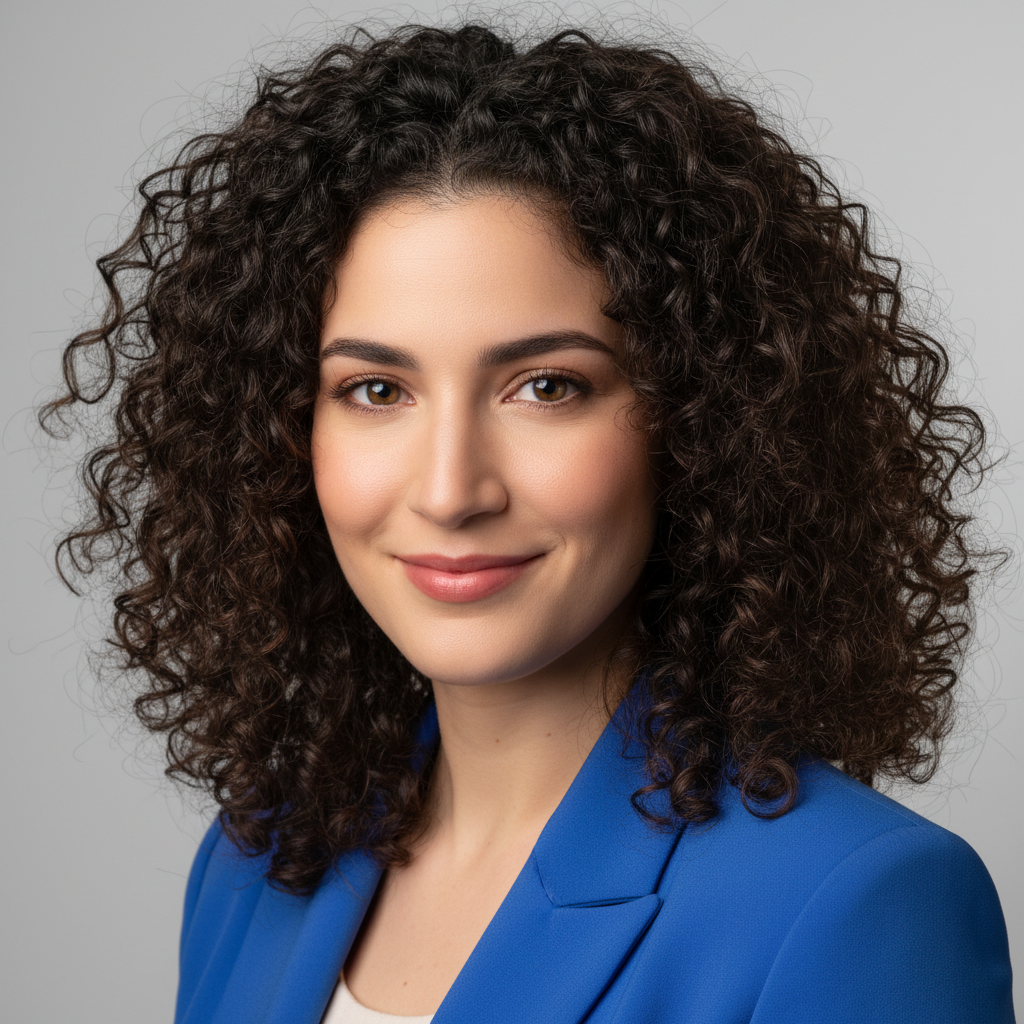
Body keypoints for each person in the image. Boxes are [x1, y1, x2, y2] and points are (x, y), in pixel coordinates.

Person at [40, 18, 1015, 1024]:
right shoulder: (257, 861)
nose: (451, 490)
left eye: (547, 386)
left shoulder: (852, 904)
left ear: (702, 419)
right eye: (376, 390)